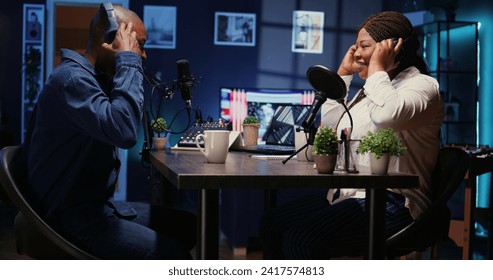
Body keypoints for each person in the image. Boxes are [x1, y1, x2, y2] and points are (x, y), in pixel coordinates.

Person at [260, 11, 444, 259]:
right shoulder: (372, 91)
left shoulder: (422, 86)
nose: (356, 53)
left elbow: (387, 115)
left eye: (365, 46)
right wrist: (343, 75)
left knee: (301, 240)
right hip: (350, 194)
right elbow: (332, 124)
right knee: (274, 223)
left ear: (391, 47)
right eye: (355, 47)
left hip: (396, 202)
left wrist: (377, 67)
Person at [23, 4, 196, 259]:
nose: (143, 55)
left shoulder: (93, 79)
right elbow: (124, 131)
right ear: (109, 41)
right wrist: (129, 59)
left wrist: (126, 65)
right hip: (70, 216)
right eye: (138, 44)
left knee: (188, 226)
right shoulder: (72, 81)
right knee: (172, 256)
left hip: (95, 207)